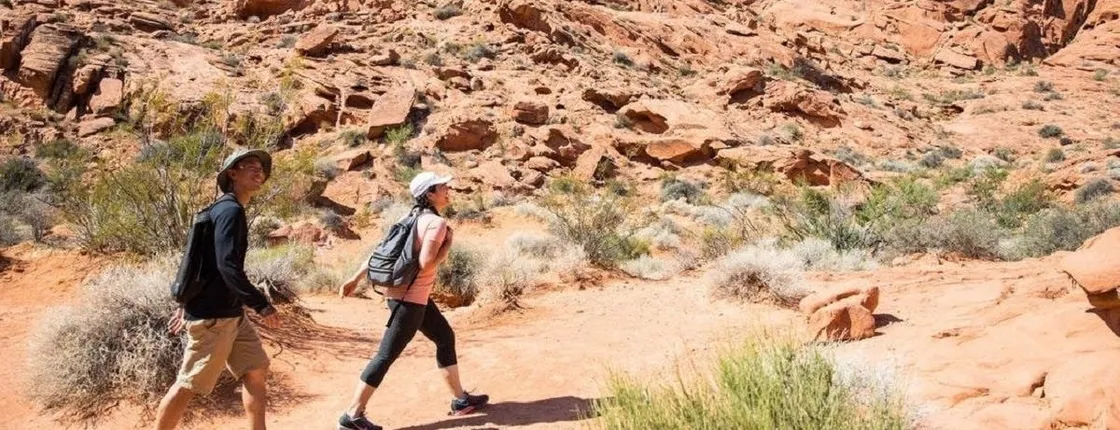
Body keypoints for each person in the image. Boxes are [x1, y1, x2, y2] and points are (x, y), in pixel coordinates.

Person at [336, 172, 489, 430]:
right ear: (429, 194)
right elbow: (426, 263)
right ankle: (352, 415)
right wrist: (447, 247)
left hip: (407, 297)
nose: (447, 190)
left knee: (444, 337)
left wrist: (355, 278)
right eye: (442, 187)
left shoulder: (407, 219)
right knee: (385, 356)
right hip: (410, 300)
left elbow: (379, 252)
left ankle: (460, 400)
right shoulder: (435, 224)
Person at [154, 149, 283, 430]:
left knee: (256, 369)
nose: (258, 170)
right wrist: (261, 303)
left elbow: (199, 262)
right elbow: (227, 265)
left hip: (231, 313)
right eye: (249, 165)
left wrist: (185, 303)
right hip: (215, 318)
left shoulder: (223, 209)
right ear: (232, 175)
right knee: (188, 384)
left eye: (261, 167)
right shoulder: (230, 211)